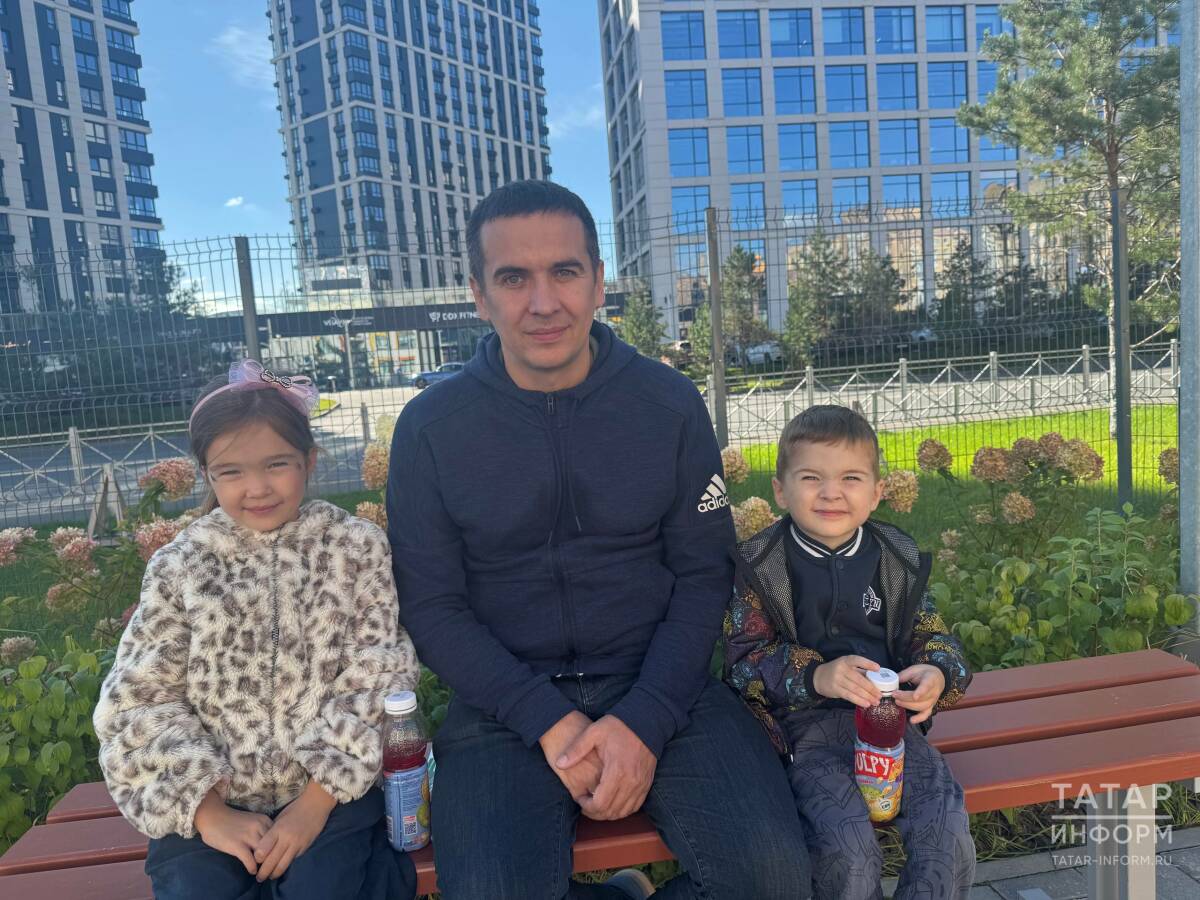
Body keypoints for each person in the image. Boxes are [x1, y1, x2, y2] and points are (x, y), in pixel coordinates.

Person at [386, 180, 810, 899]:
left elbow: (703, 573)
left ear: (599, 282)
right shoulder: (431, 428)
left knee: (773, 882)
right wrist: (546, 721)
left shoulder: (667, 404)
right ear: (479, 295)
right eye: (513, 278)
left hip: (663, 685)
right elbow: (431, 606)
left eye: (565, 271)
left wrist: (644, 721)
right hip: (504, 706)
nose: (543, 302)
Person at [94, 360, 420, 900]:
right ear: (207, 475)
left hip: (329, 794)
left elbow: (379, 675)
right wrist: (208, 812)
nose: (258, 488)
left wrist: (315, 804)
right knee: (197, 891)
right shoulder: (183, 565)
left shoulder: (354, 548)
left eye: (276, 464)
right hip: (210, 800)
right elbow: (138, 698)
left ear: (309, 461)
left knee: (325, 888)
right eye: (231, 472)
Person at [723, 405, 976, 899]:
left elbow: (931, 633)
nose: (831, 492)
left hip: (892, 728)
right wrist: (815, 675)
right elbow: (742, 663)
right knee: (848, 851)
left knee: (946, 836)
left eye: (851, 478)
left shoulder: (893, 560)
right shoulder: (761, 567)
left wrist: (937, 672)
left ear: (877, 492)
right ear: (780, 490)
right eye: (811, 478)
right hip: (804, 735)